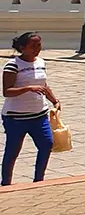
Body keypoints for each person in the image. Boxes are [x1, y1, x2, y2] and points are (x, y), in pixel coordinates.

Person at [2, 32, 58, 186]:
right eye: (32, 46)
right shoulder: (13, 65)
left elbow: (43, 84)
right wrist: (28, 88)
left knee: (47, 144)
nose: (36, 49)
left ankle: (38, 181)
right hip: (16, 117)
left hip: (39, 115)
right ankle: (6, 183)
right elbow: (7, 91)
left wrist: (54, 100)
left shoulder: (40, 62)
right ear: (22, 47)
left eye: (38, 45)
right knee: (13, 151)